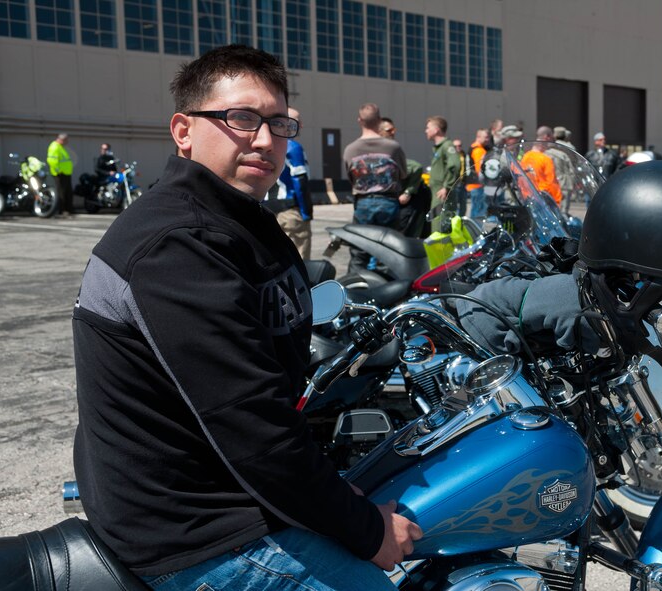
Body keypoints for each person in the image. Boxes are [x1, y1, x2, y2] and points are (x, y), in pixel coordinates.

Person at [71, 44, 421, 591]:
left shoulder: (237, 220)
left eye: (278, 123)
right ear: (183, 130)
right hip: (199, 533)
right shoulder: (173, 247)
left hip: (226, 490)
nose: (264, 139)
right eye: (241, 118)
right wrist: (367, 531)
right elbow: (256, 432)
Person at [342, 103, 407, 272]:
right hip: (388, 203)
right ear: (379, 120)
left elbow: (351, 178)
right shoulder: (393, 148)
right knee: (388, 251)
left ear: (359, 120)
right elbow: (403, 174)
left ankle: (355, 288)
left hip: (363, 203)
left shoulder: (350, 149)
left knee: (359, 252)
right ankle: (389, 290)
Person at [379, 116, 431, 238]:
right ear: (379, 131)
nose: (393, 133)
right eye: (389, 130)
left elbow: (416, 167)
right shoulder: (378, 148)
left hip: (407, 199)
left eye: (393, 130)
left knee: (404, 235)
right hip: (384, 200)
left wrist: (408, 192)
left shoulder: (392, 148)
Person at [275, 107, 313, 260]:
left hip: (270, 209)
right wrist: (306, 211)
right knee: (300, 260)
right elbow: (300, 180)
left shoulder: (271, 145)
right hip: (291, 210)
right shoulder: (292, 147)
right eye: (297, 122)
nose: (301, 126)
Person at [426, 115, 461, 232]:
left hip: (442, 194)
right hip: (437, 192)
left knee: (440, 228)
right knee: (436, 225)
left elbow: (455, 165)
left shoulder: (447, 146)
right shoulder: (440, 148)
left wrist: (447, 186)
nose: (426, 130)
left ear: (436, 130)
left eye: (428, 127)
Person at [521, 127, 563, 206]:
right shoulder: (546, 159)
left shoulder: (525, 157)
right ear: (546, 137)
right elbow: (551, 183)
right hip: (543, 200)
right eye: (551, 139)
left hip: (527, 198)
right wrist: (557, 201)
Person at [466, 128, 492, 219]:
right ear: (478, 137)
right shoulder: (478, 150)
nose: (488, 139)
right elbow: (480, 170)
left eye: (488, 137)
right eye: (485, 137)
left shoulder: (474, 147)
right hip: (477, 186)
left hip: (474, 185)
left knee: (475, 210)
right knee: (478, 213)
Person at [46, 132, 74, 217]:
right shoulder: (54, 146)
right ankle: (62, 210)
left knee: (67, 191)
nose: (67, 142)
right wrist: (58, 171)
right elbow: (52, 161)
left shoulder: (60, 147)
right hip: (60, 174)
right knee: (61, 192)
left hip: (65, 173)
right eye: (66, 140)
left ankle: (68, 209)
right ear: (62, 139)